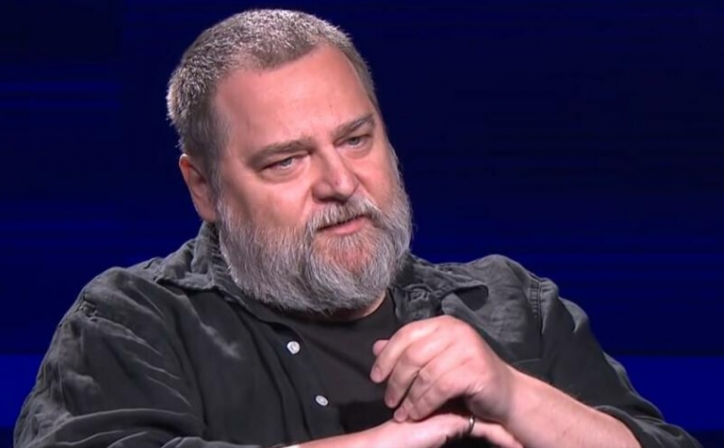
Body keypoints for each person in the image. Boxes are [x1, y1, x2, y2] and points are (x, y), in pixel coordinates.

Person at [14, 9, 701, 448]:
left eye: (355, 139)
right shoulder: (132, 322)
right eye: (286, 160)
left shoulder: (514, 306)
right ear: (204, 187)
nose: (341, 183)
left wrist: (518, 396)